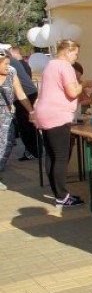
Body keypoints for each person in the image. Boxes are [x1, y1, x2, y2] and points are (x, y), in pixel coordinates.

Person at [32, 39, 92, 207]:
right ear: (68, 51)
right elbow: (73, 92)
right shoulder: (65, 66)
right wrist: (84, 83)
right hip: (58, 115)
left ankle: (57, 193)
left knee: (51, 155)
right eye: (75, 53)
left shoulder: (50, 64)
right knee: (60, 156)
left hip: (45, 114)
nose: (76, 57)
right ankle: (62, 195)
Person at [1, 48, 36, 190]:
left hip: (6, 114)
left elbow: (20, 94)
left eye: (9, 63)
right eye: (4, 64)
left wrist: (31, 111)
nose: (7, 66)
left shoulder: (11, 72)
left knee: (6, 143)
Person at [6, 46, 39, 160]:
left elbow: (18, 90)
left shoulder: (8, 64)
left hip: (25, 96)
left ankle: (32, 151)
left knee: (26, 126)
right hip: (28, 93)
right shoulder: (11, 61)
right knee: (29, 125)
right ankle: (35, 150)